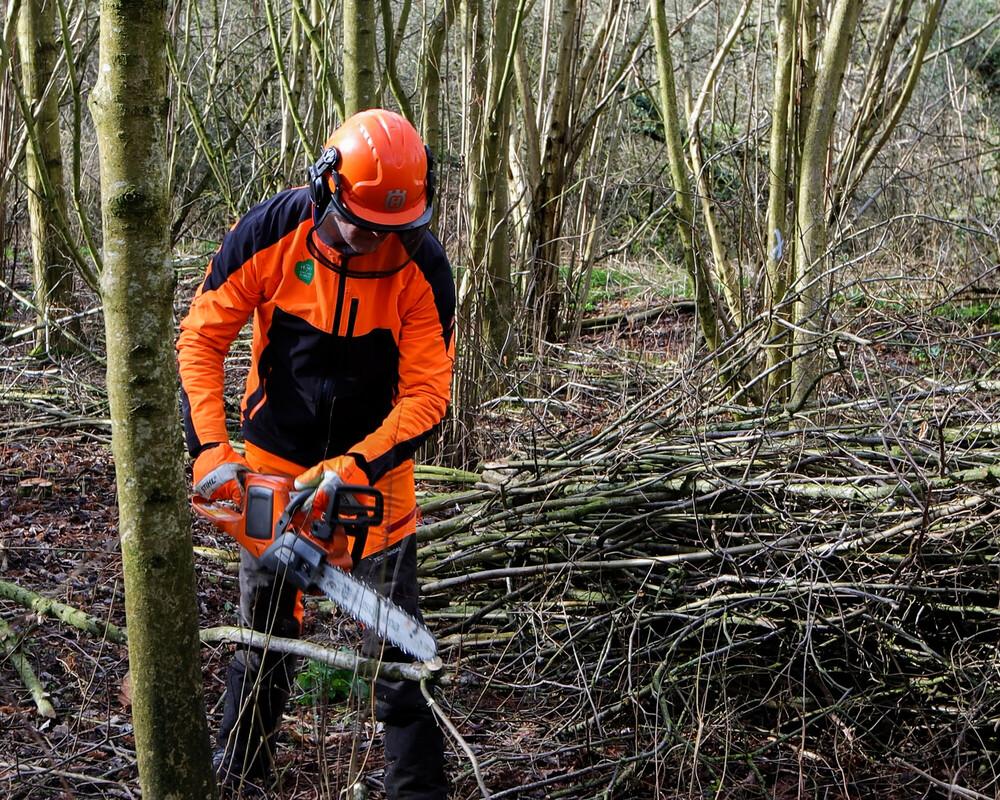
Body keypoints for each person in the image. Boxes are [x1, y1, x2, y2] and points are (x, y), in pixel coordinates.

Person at [176, 109, 454, 799]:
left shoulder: (420, 266)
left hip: (374, 474)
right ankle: (241, 778)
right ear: (327, 188)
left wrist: (355, 467)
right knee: (265, 634)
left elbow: (427, 395)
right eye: (362, 224)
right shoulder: (271, 232)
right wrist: (210, 447)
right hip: (273, 460)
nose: (374, 243)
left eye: (393, 230)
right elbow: (201, 338)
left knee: (398, 654)